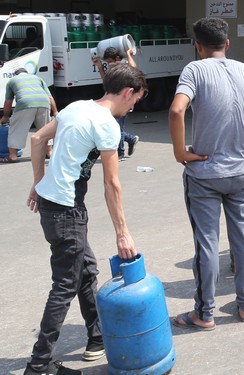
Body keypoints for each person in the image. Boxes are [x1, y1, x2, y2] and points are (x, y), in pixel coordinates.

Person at [23, 63, 146, 375]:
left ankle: (96, 338)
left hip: (54, 204)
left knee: (85, 270)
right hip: (67, 210)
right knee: (65, 283)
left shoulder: (76, 107)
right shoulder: (107, 125)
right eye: (136, 100)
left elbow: (37, 139)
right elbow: (111, 184)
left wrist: (39, 184)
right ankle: (39, 364)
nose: (133, 106)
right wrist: (123, 233)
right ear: (128, 92)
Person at [169, 17, 244, 330]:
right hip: (243, 171)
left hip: (205, 173)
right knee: (242, 239)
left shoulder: (194, 70)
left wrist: (180, 152)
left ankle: (204, 313)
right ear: (227, 44)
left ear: (198, 46)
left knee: (207, 243)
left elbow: (177, 110)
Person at [0, 68, 58, 163]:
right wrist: (55, 112)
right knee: (45, 129)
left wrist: (6, 116)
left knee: (16, 129)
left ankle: (13, 156)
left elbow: (8, 102)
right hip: (44, 102)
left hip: (25, 104)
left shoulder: (12, 81)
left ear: (16, 75)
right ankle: (49, 152)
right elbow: (50, 97)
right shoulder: (38, 78)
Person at [93, 47, 140, 159]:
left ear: (117, 58)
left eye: (110, 61)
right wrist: (100, 67)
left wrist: (129, 54)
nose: (108, 64)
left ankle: (120, 153)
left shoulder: (123, 65)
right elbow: (106, 81)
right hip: (114, 101)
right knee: (117, 126)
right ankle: (131, 139)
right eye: (107, 62)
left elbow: (134, 68)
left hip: (124, 101)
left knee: (117, 127)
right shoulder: (112, 68)